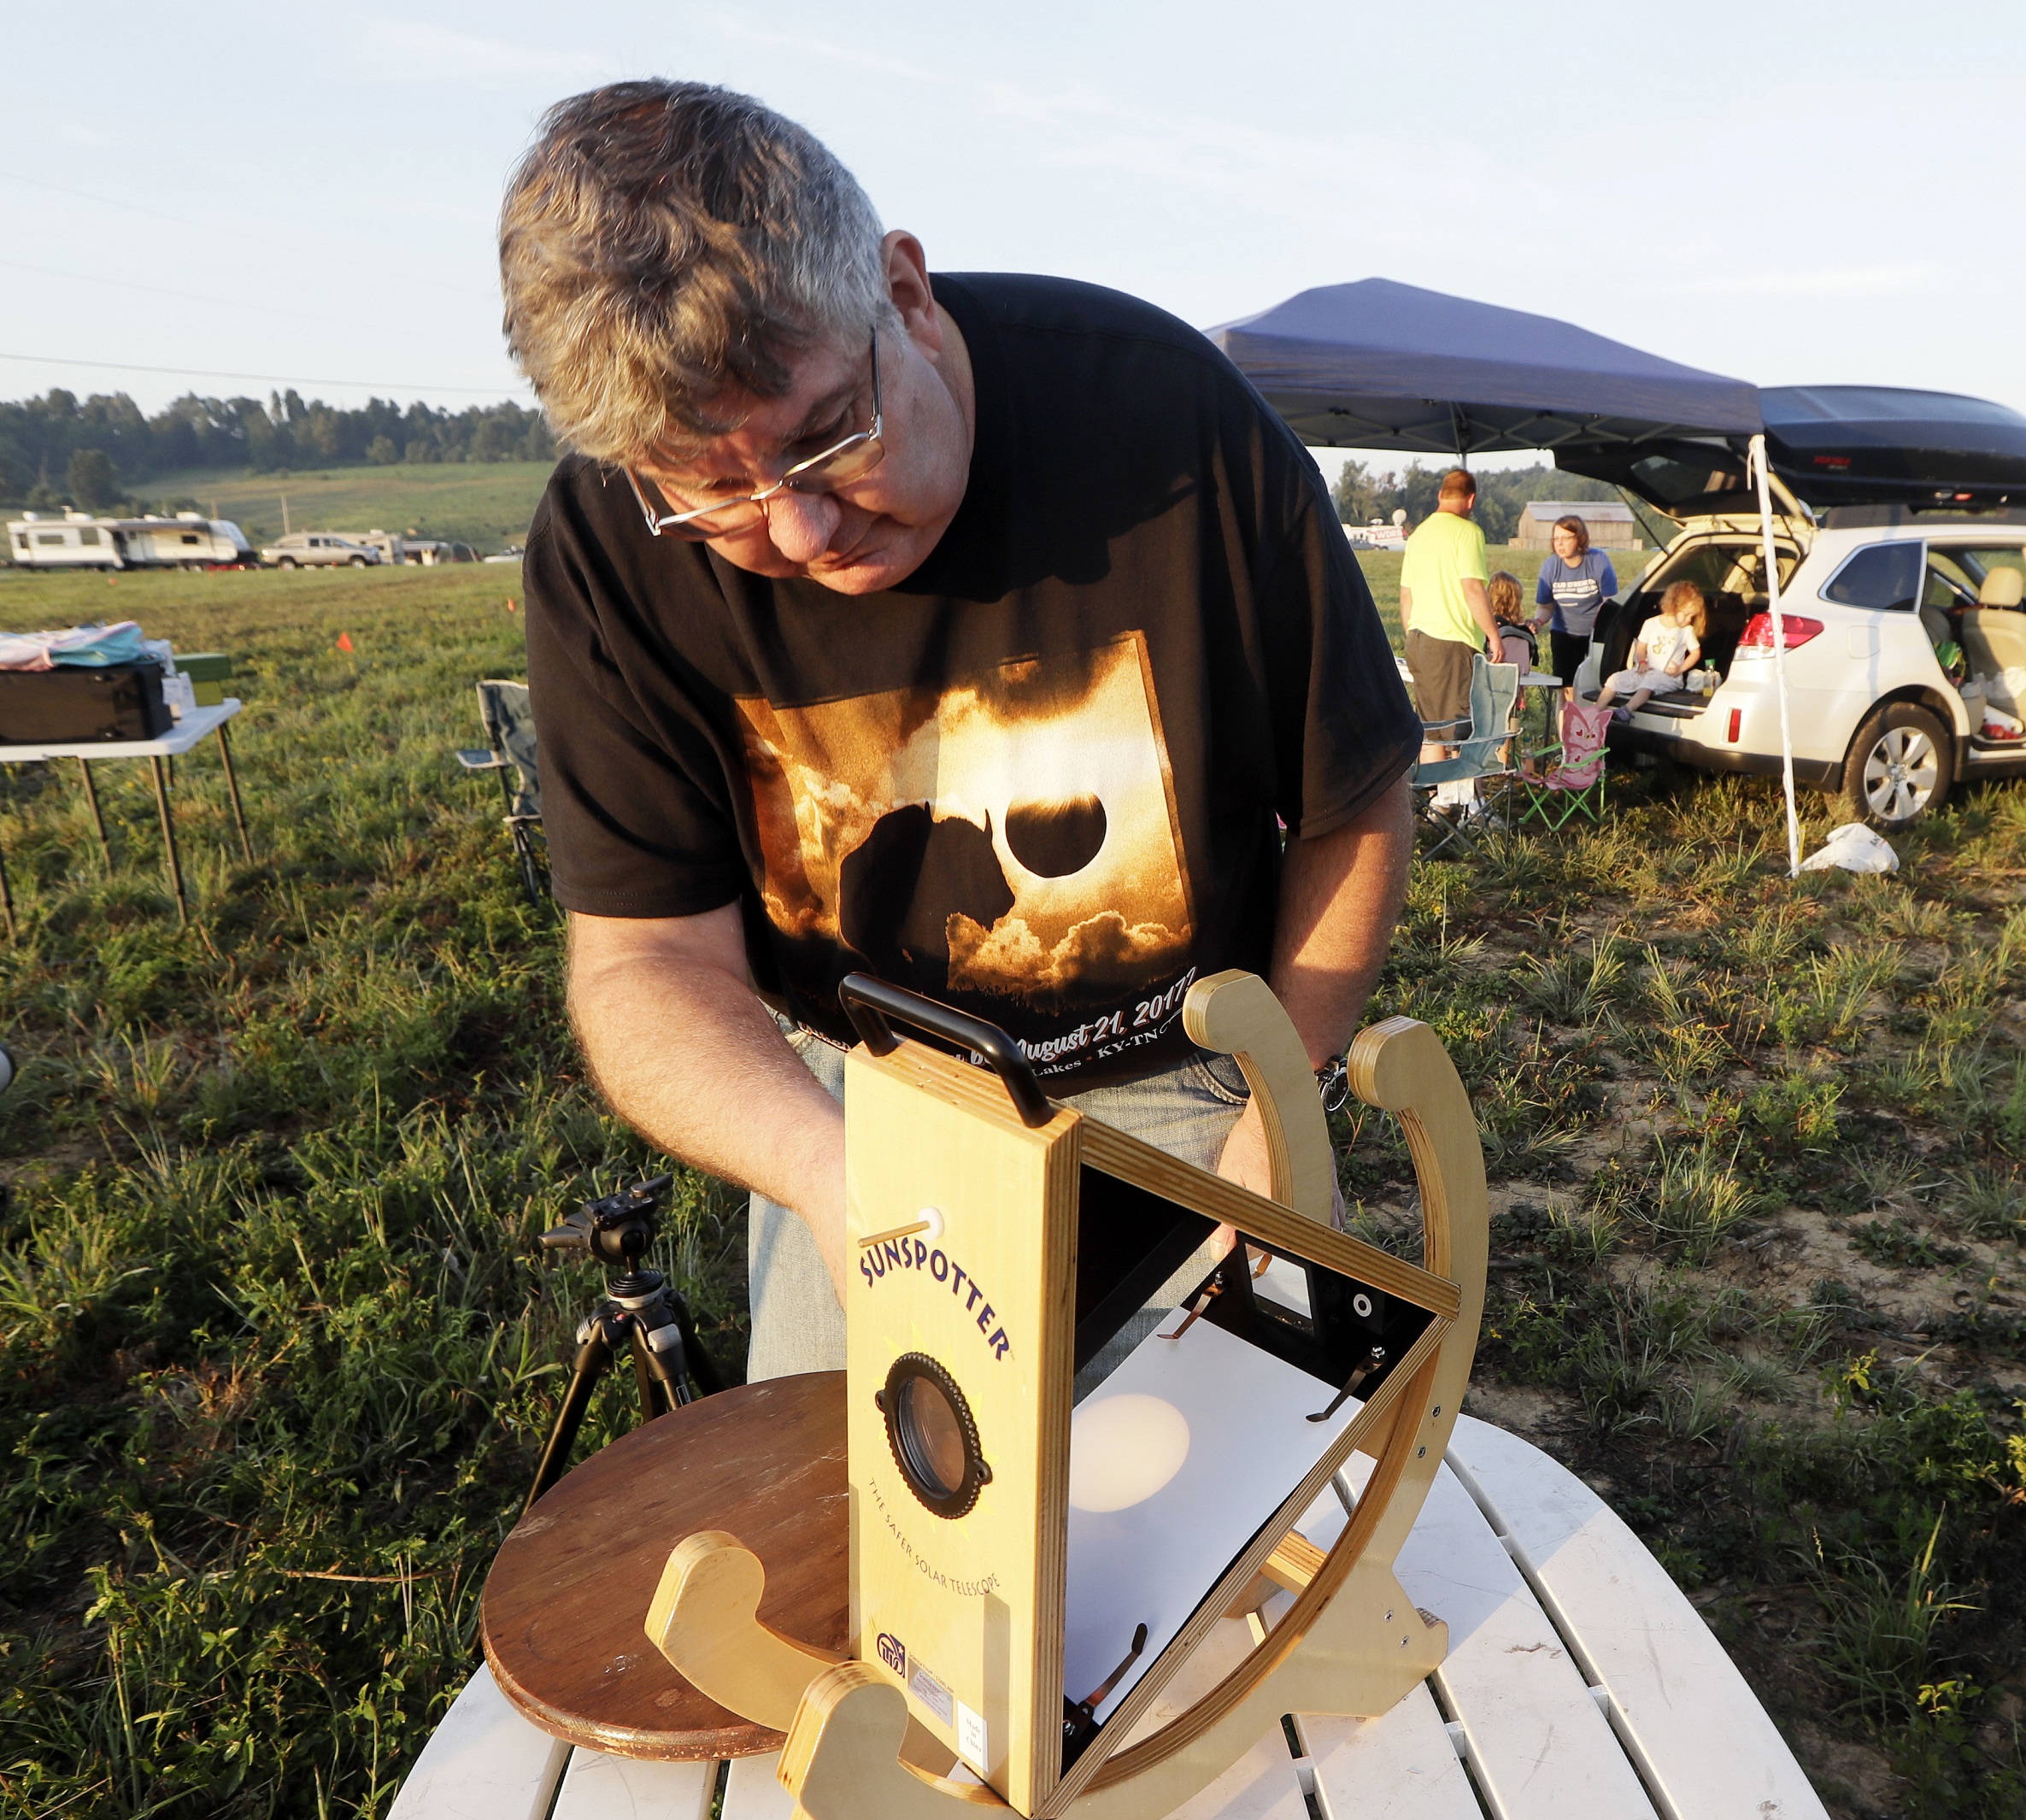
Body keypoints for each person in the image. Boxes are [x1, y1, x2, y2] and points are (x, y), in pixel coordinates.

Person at [498, 81, 1419, 1379]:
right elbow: (644, 959)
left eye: (828, 435)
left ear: (905, 295)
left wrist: (1281, 1120)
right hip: (863, 1101)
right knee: (887, 1534)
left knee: (1238, 1512)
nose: (803, 531)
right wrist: (827, 1173)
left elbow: (1352, 798)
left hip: (1184, 1064)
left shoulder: (1167, 421)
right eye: (714, 495)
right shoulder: (603, 552)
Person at [1397, 469, 1492, 763]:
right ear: (1471, 499)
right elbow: (1473, 589)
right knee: (1458, 730)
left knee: (1430, 727)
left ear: (1440, 495)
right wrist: (1494, 636)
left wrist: (1412, 633)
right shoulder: (1468, 532)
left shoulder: (1418, 534)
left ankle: (1433, 797)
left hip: (1419, 640)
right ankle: (1454, 799)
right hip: (1453, 642)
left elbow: (1405, 595)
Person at [1530, 515, 1617, 693]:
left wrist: (1600, 626)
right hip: (1564, 633)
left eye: (1565, 538)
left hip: (1595, 634)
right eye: (1556, 539)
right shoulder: (1550, 567)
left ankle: (1592, 718)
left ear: (1580, 539)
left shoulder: (1598, 561)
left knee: (1596, 686)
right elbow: (1546, 607)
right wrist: (1538, 622)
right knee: (1566, 690)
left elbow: (1610, 602)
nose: (1559, 544)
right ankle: (1566, 720)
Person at [1598, 579, 1706, 715]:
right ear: (1673, 606)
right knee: (1615, 678)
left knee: (1649, 682)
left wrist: (1680, 669)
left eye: (1692, 616)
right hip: (1647, 670)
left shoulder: (1686, 631)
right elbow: (1641, 647)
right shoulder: (1651, 624)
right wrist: (1642, 662)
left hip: (1669, 677)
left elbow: (1695, 653)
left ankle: (1627, 710)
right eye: (1686, 614)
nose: (1689, 619)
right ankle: (1595, 710)